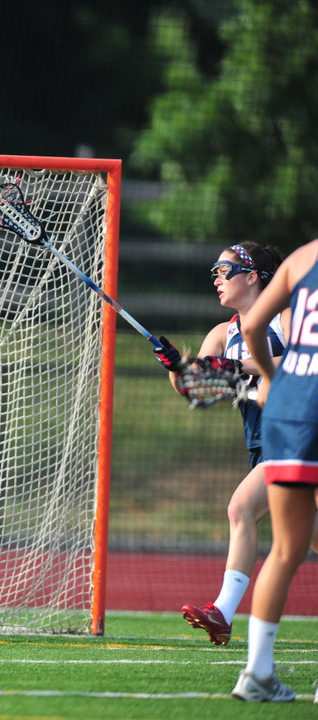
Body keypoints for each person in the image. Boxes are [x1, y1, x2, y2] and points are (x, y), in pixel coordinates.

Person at [153, 243, 318, 646]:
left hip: (302, 433)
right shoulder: (220, 334)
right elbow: (196, 391)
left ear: (251, 276)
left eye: (223, 269)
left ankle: (223, 612)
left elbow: (305, 358)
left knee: (240, 507)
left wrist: (237, 366)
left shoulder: (284, 318)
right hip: (266, 444)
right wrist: (178, 368)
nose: (216, 278)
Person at [231, 238, 318, 702]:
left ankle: (257, 674)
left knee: (288, 548)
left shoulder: (302, 258)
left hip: (288, 407)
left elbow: (254, 324)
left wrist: (270, 378)